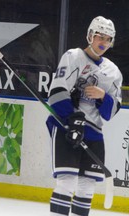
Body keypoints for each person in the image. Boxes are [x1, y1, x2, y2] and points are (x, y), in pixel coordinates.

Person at [46, 16, 122, 216]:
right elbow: (56, 93)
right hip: (66, 126)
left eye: (108, 39)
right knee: (67, 181)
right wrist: (73, 119)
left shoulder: (113, 72)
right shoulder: (73, 56)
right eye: (100, 36)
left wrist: (102, 96)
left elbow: (111, 111)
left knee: (87, 185)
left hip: (94, 133)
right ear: (90, 36)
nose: (103, 42)